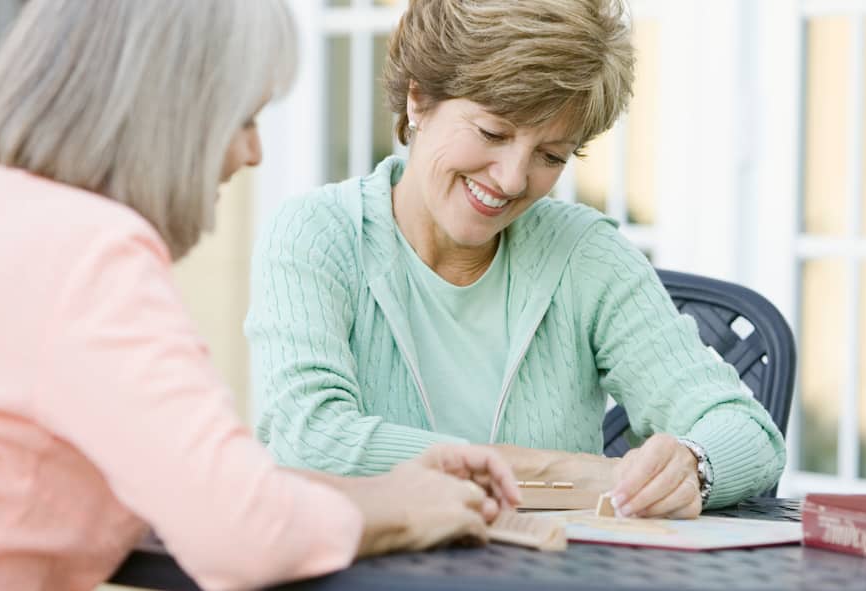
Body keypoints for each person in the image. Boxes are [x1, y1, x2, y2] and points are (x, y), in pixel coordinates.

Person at [0, 1, 520, 590]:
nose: (254, 153)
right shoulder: (92, 255)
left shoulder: (8, 219)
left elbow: (203, 485)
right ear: (169, 112)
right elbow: (242, 532)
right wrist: (404, 512)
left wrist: (390, 489)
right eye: (244, 118)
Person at [247, 0, 786, 520]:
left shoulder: (585, 256)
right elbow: (308, 437)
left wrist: (694, 466)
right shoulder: (317, 235)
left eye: (550, 156)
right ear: (418, 98)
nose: (511, 179)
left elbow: (746, 433)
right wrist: (565, 474)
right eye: (492, 132)